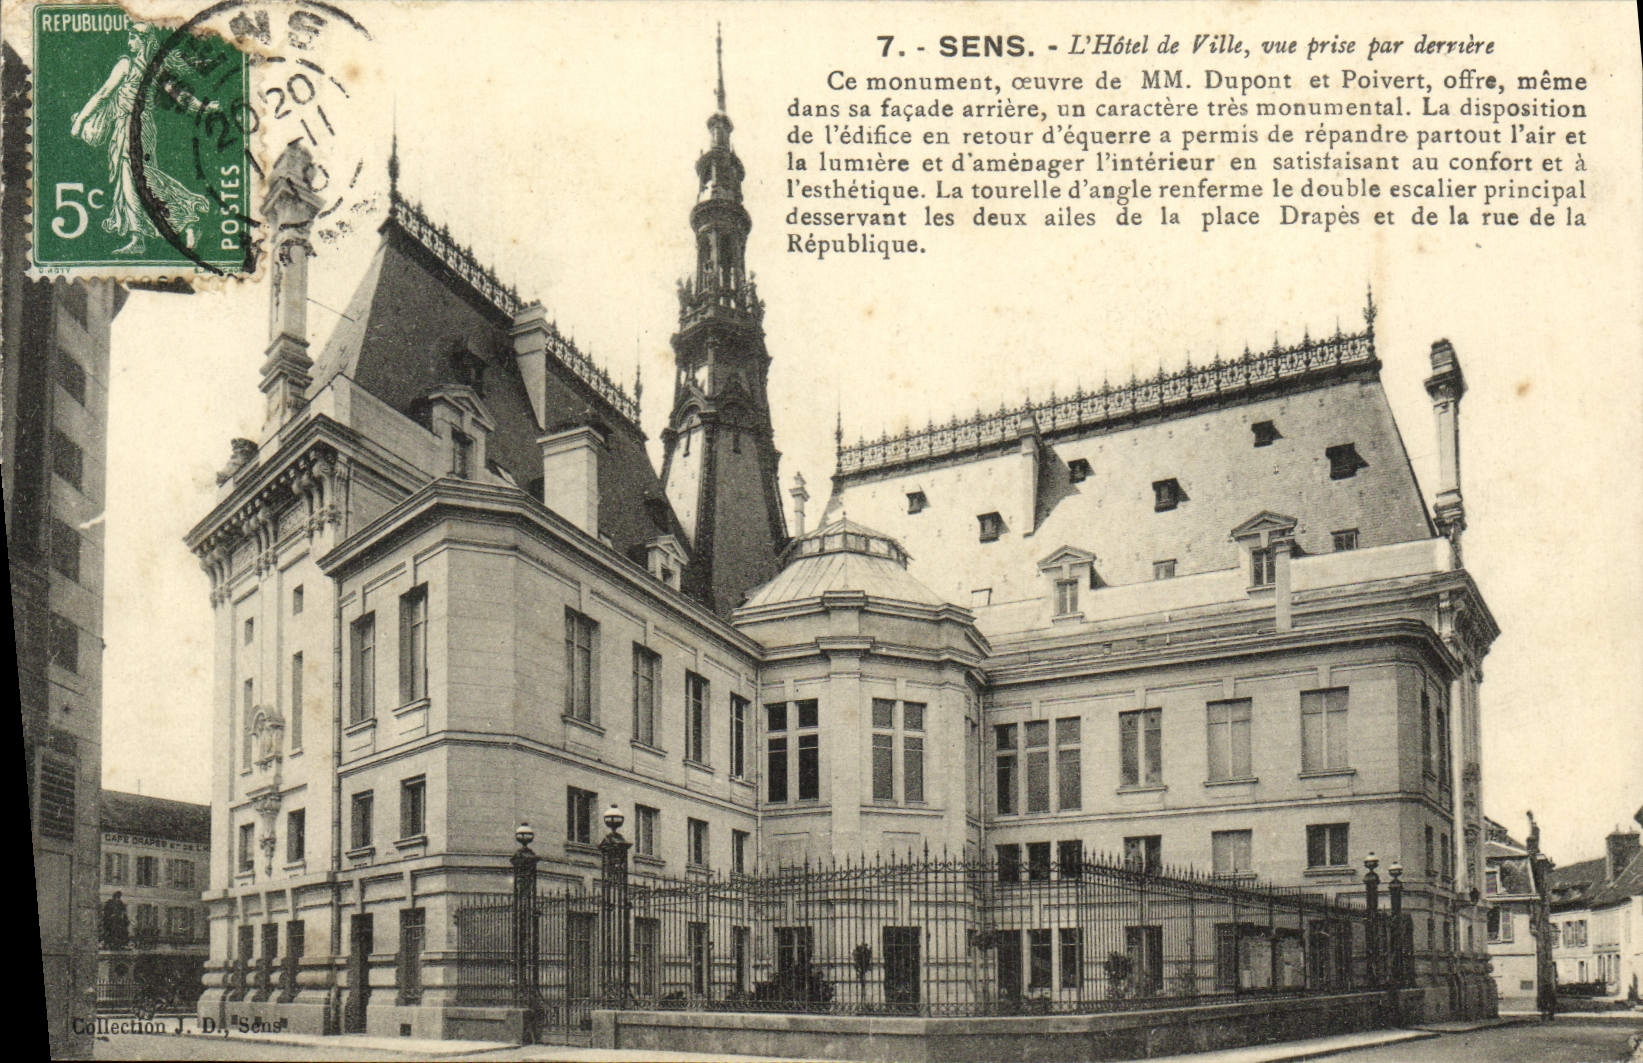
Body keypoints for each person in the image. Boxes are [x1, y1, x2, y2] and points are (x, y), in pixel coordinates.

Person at [68, 23, 214, 255]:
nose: (129, 43)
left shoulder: (128, 65)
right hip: (128, 127)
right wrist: (202, 107)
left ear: (143, 40)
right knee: (129, 181)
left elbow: (103, 94)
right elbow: (181, 97)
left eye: (133, 38)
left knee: (139, 178)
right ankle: (139, 236)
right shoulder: (154, 68)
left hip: (135, 128)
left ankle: (185, 218)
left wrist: (79, 122)